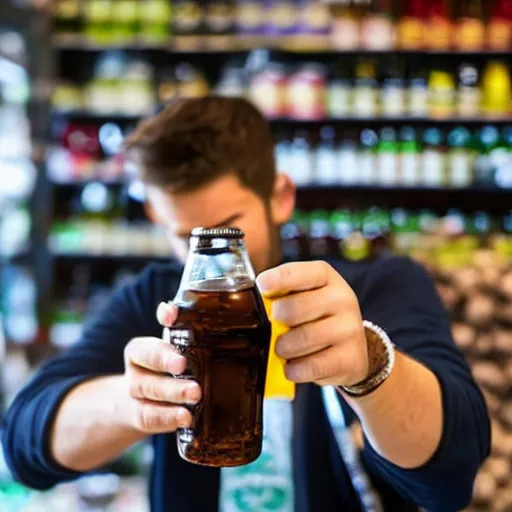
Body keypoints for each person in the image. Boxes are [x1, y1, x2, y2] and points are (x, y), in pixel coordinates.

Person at [3, 97, 489, 512]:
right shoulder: (159, 299)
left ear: (280, 197)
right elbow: (25, 441)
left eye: (227, 233)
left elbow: (452, 473)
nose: (210, 258)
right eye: (187, 238)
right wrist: (132, 401)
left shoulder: (379, 286)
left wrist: (370, 363)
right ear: (155, 213)